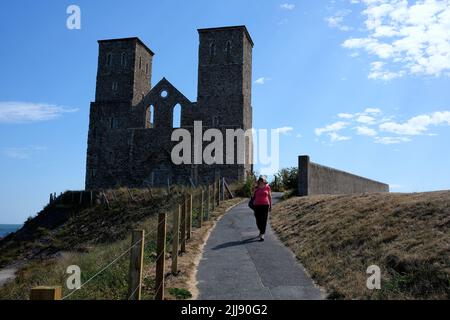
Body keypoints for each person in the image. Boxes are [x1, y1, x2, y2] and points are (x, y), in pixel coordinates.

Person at [253, 175, 272, 241]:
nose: (261, 182)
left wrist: (270, 205)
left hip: (265, 205)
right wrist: (254, 190)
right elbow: (252, 196)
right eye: (260, 181)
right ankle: (261, 230)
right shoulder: (256, 188)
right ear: (259, 181)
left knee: (264, 220)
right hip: (256, 205)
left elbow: (269, 196)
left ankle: (262, 234)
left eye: (263, 180)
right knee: (258, 220)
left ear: (264, 181)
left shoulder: (267, 187)